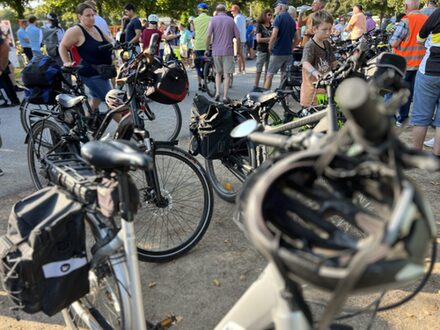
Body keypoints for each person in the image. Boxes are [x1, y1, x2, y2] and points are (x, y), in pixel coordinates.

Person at [59, 3, 113, 116]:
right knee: (112, 103)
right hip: (91, 73)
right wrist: (66, 62)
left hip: (103, 71)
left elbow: (111, 42)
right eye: (88, 15)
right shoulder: (76, 31)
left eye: (93, 15)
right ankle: (129, 131)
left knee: (95, 100)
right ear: (80, 16)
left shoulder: (96, 28)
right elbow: (62, 46)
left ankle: (86, 124)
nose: (92, 18)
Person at [389, 0, 428, 127]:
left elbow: (394, 43)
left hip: (404, 64)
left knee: (393, 91)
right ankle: (403, 118)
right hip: (421, 64)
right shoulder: (427, 19)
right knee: (410, 93)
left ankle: (390, 118)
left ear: (406, 6)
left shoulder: (406, 21)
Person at [411, 7, 440, 153]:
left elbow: (419, 39)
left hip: (429, 71)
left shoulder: (438, 13)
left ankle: (416, 154)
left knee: (421, 117)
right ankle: (437, 157)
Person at [300, 10, 337, 107]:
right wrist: (316, 73)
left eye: (330, 29)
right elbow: (305, 63)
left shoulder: (327, 44)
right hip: (312, 94)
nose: (328, 32)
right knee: (316, 119)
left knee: (331, 113)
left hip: (324, 90)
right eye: (324, 29)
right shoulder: (310, 46)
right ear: (314, 29)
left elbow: (334, 62)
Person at [205, 4, 241, 103]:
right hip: (228, 51)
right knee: (227, 74)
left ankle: (217, 93)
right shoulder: (231, 20)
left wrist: (206, 48)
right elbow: (238, 37)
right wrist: (237, 50)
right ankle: (225, 96)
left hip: (216, 51)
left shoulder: (213, 20)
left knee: (218, 73)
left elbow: (208, 35)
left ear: (216, 11)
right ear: (225, 11)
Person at [263, 0, 296, 90]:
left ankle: (265, 97)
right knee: (285, 77)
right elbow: (298, 39)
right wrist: (291, 47)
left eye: (276, 6)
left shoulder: (278, 18)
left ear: (280, 7)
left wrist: (270, 47)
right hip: (288, 53)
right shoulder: (292, 20)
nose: (275, 8)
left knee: (269, 75)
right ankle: (285, 100)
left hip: (277, 52)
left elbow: (274, 36)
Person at [193, 2, 211, 91]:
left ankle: (199, 84)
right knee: (206, 65)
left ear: (199, 10)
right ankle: (205, 84)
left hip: (198, 45)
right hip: (207, 45)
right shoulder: (211, 19)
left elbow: (195, 31)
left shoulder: (195, 20)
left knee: (197, 66)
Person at [254, 9, 273, 91]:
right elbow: (258, 39)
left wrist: (271, 40)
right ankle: (256, 85)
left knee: (268, 70)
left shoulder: (272, 25)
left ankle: (265, 87)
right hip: (262, 49)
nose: (270, 16)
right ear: (264, 15)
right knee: (259, 69)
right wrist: (270, 39)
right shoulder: (260, 25)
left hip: (270, 50)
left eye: (271, 15)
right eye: (269, 14)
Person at [0, 34, 20, 107]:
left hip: (2, 63)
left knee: (3, 84)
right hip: (3, 61)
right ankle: (14, 100)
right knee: (7, 82)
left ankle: (10, 101)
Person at [231, 4, 247, 74]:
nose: (232, 12)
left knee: (239, 53)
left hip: (239, 38)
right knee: (240, 53)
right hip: (242, 37)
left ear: (236, 10)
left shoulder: (237, 18)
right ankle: (241, 69)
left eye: (233, 11)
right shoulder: (242, 17)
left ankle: (242, 69)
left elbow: (236, 29)